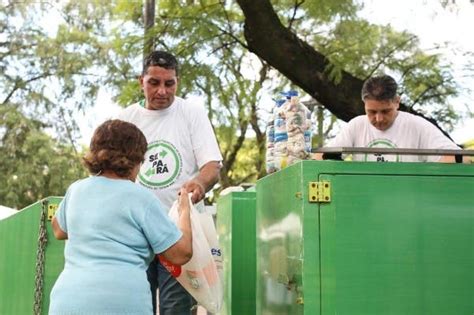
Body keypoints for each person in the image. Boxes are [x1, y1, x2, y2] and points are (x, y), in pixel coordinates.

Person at [49, 119, 193, 315]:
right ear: (136, 160)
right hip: (122, 302)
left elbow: (58, 230)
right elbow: (181, 253)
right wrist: (185, 211)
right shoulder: (142, 198)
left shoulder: (76, 190)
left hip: (68, 300)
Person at [117, 50, 222, 315]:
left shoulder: (191, 113)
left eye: (169, 83)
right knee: (135, 306)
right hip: (134, 233)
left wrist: (198, 184)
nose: (162, 91)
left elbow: (212, 166)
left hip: (176, 233)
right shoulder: (126, 120)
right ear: (141, 80)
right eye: (154, 82)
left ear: (177, 82)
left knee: (175, 308)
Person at [319, 74, 460, 162]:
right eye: (372, 112)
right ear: (364, 105)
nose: (379, 119)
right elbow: (322, 157)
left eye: (385, 111)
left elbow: (459, 157)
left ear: (397, 102)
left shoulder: (417, 124)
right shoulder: (356, 125)